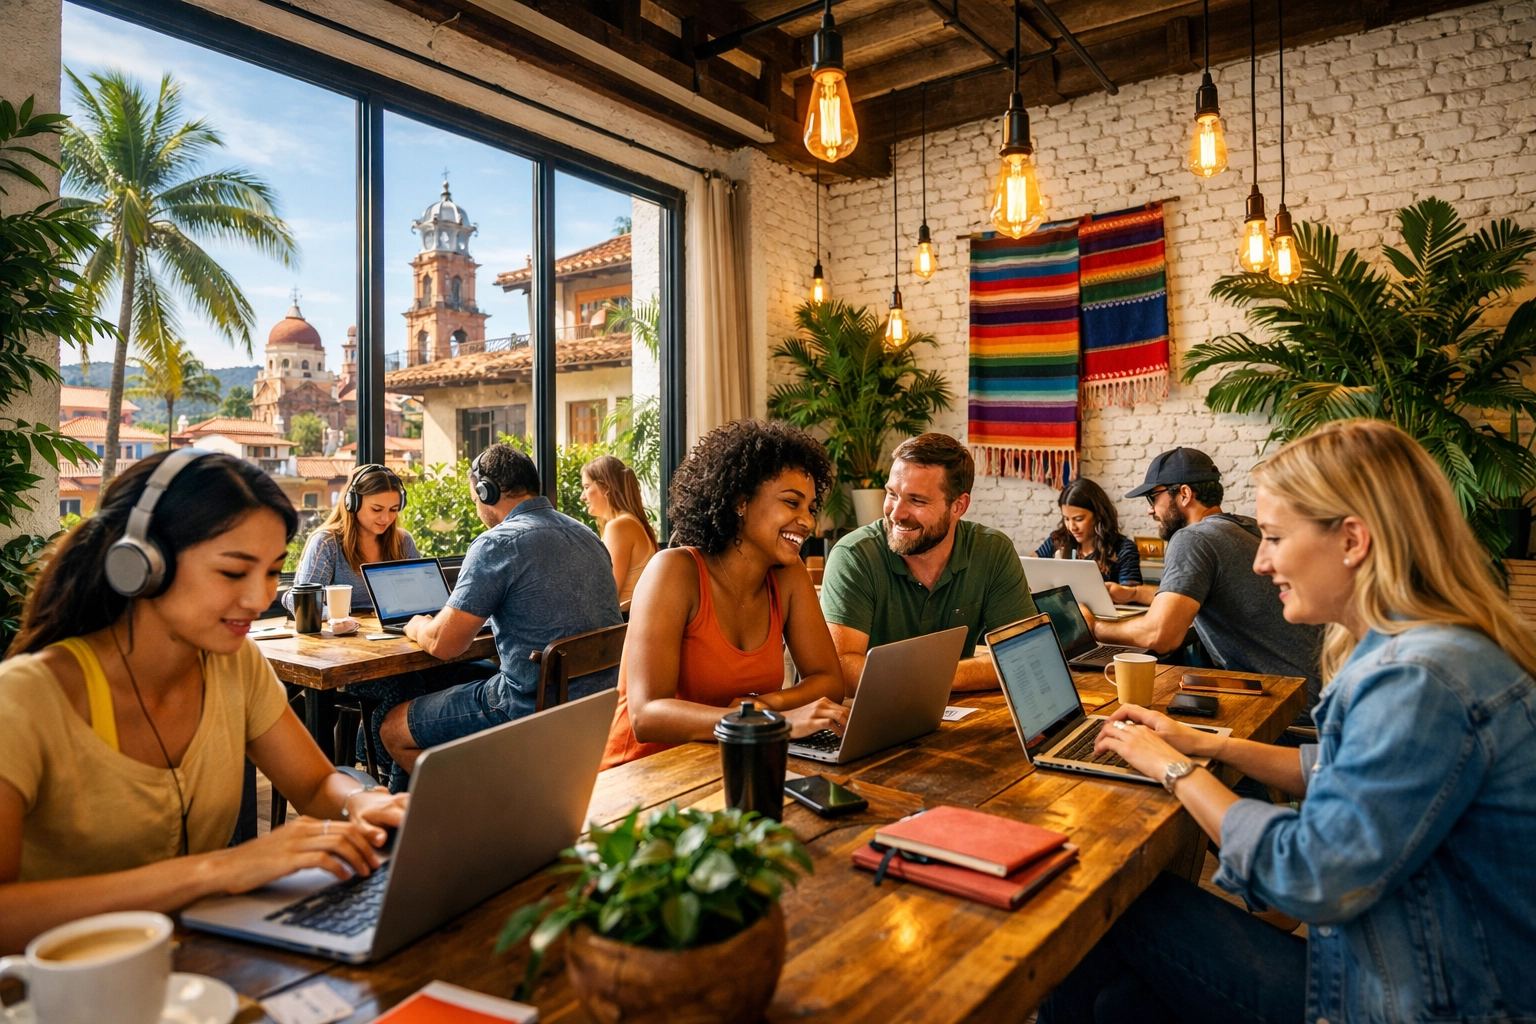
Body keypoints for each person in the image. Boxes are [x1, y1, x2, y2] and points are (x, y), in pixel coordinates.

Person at [1040, 419, 1536, 1024]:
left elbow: (1307, 874)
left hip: (1403, 1001)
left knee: (1106, 899)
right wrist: (1197, 741)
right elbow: (1333, 768)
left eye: (1274, 537)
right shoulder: (1422, 647)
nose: (1260, 561)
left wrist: (1173, 767)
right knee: (1124, 1000)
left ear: (1352, 540)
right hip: (1389, 973)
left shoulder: (1417, 677)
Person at [0, 451, 407, 953]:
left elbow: (315, 782)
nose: (259, 599)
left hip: (199, 966)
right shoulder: (23, 699)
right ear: (144, 564)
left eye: (272, 572)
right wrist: (220, 869)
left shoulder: (235, 664)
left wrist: (363, 801)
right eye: (234, 573)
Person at [602, 420, 848, 769]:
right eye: (792, 503)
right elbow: (647, 715)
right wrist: (767, 722)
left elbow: (829, 681)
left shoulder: (788, 575)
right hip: (645, 775)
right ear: (740, 501)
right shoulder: (674, 572)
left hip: (728, 761)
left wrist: (763, 706)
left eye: (810, 507)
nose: (807, 521)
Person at [381, 443, 622, 775]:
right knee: (466, 676)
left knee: (392, 728)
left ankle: (474, 816)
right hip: (599, 705)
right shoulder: (586, 534)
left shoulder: (497, 543)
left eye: (474, 497)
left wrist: (417, 625)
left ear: (486, 491)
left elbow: (443, 644)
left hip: (527, 706)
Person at [1083, 447, 1322, 705]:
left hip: (1289, 710)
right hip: (1317, 693)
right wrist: (1133, 593)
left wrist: (1094, 627)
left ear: (1184, 494)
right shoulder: (1245, 527)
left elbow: (1160, 635)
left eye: (1153, 497)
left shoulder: (1193, 538)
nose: (1151, 511)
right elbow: (1202, 592)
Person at [821, 433, 1036, 694]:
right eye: (892, 494)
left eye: (917, 500)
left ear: (958, 506)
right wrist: (949, 675)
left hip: (958, 717)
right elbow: (840, 669)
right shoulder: (854, 556)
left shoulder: (992, 551)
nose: (896, 513)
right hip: (866, 721)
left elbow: (1023, 656)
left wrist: (935, 676)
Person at [284, 463, 428, 788]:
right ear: (352, 502)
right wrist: (333, 618)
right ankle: (389, 780)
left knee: (441, 677)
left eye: (393, 509)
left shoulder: (402, 542)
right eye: (377, 509)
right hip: (347, 660)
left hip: (394, 646)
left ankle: (386, 761)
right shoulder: (327, 543)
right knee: (406, 690)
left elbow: (419, 593)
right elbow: (297, 600)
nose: (385, 518)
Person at [1033, 478, 1142, 586]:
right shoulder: (1058, 540)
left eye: (1079, 519)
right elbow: (1029, 568)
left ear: (1099, 515)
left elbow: (1130, 595)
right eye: (1066, 519)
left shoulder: (1123, 549)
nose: (1071, 527)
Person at [580, 455, 658, 605]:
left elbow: (607, 594)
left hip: (622, 623)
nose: (582, 497)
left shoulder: (619, 526)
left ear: (606, 488)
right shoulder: (632, 522)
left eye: (586, 487)